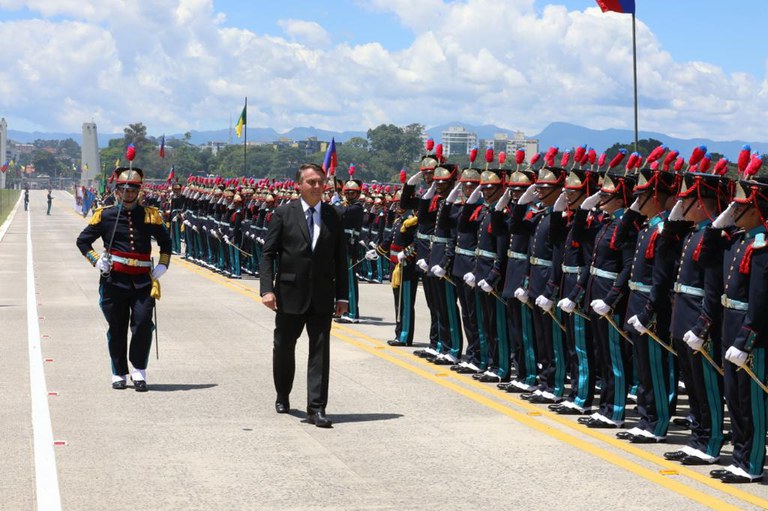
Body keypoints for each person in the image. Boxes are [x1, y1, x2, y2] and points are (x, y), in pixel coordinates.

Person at [260, 163, 349, 428]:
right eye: (311, 182)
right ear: (298, 185)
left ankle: (316, 408)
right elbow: (268, 254)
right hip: (289, 293)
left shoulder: (334, 215)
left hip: (322, 295)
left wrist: (343, 297)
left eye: (321, 182)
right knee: (284, 347)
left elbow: (340, 259)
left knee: (320, 352)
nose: (318, 186)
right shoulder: (283, 213)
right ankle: (283, 392)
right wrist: (267, 289)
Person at [76, 167, 172, 392]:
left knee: (143, 325)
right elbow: (83, 241)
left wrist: (163, 264)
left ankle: (139, 370)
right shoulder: (106, 214)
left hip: (142, 281)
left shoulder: (150, 215)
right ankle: (118, 372)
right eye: (124, 190)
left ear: (139, 191)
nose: (128, 194)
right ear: (117, 191)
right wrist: (96, 260)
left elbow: (166, 243)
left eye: (133, 190)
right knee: (117, 327)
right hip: (114, 281)